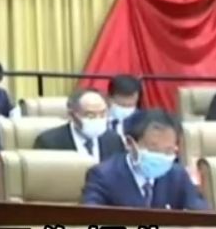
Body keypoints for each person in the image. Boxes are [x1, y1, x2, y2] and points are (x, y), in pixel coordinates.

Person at [81, 109, 209, 210]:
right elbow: (91, 217)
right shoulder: (103, 175)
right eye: (153, 149)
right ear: (129, 143)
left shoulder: (177, 175)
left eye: (168, 151)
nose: (161, 156)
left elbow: (199, 213)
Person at [33, 89, 124, 162]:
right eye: (90, 115)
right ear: (72, 115)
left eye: (103, 114)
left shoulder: (114, 140)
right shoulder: (49, 142)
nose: (98, 119)